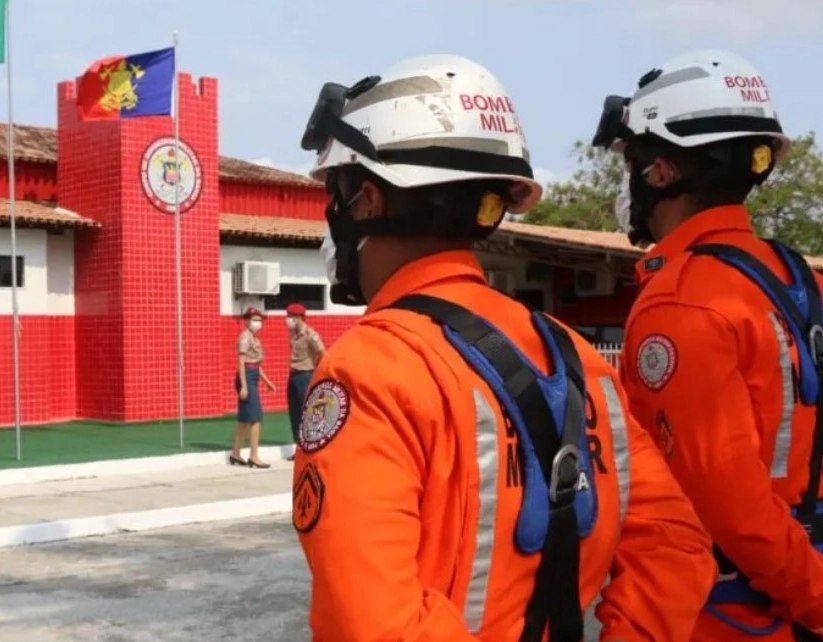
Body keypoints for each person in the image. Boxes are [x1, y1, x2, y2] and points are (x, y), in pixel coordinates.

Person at [291, 53, 715, 642]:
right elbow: (677, 546)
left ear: (367, 200)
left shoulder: (370, 369)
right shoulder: (577, 356)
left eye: (336, 194)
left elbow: (371, 624)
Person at [591, 49, 823, 641]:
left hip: (734, 613)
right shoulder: (801, 280)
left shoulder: (681, 303)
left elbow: (736, 515)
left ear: (661, 171)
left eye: (632, 163)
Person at [230, 307, 275, 469]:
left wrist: (267, 382)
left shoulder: (254, 339)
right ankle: (254, 456)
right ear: (247, 320)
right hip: (246, 377)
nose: (258, 323)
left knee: (244, 419)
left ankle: (235, 453)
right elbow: (242, 363)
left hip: (253, 375)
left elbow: (256, 364)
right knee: (256, 418)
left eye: (259, 319)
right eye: (254, 319)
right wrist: (243, 386)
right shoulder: (245, 338)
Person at [285, 302, 325, 450]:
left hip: (305, 376)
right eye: (288, 316)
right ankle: (299, 448)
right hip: (293, 375)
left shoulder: (310, 335)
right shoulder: (293, 333)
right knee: (294, 413)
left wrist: (316, 372)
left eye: (291, 316)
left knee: (307, 412)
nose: (288, 319)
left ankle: (312, 446)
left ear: (301, 317)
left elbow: (322, 353)